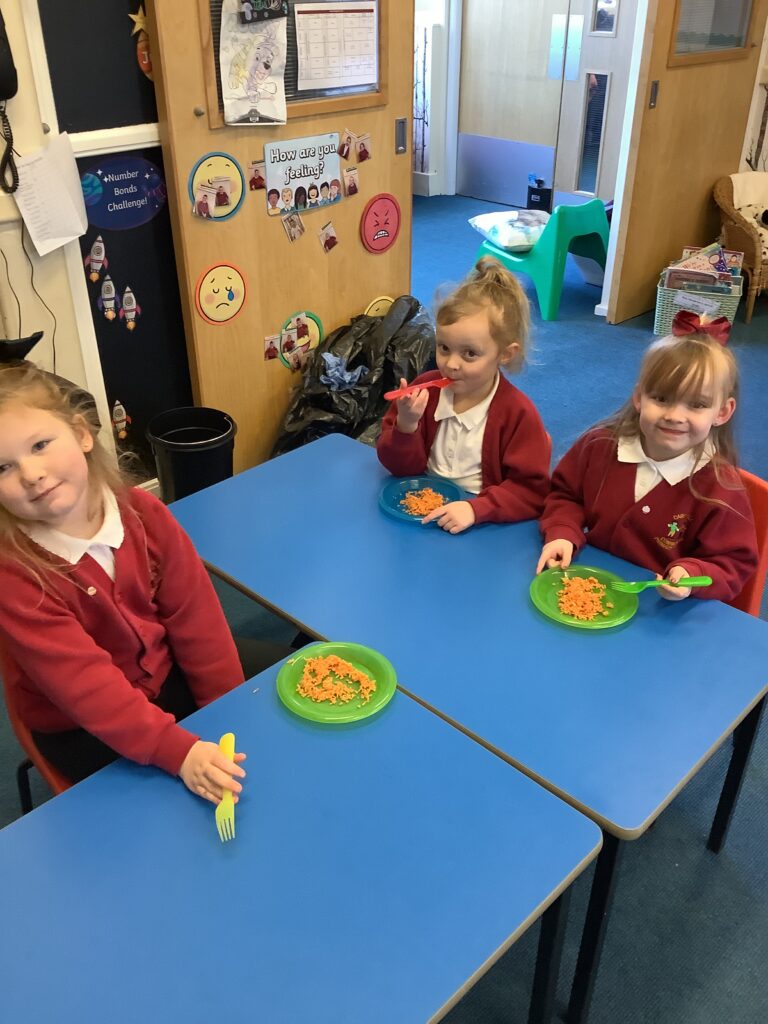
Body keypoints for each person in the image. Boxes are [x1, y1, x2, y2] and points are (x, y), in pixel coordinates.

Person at [0, 361, 255, 804]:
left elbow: (198, 622)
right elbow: (86, 687)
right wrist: (177, 752)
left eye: (41, 444)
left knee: (262, 725)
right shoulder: (16, 574)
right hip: (79, 723)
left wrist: (227, 712)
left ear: (81, 434)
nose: (31, 473)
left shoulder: (142, 513)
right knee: (157, 824)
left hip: (163, 679)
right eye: (1, 468)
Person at [536, 320, 758, 602]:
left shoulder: (721, 489)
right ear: (639, 398)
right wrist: (563, 532)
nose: (675, 416)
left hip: (659, 613)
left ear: (722, 412)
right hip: (588, 584)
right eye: (662, 399)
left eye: (697, 404)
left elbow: (732, 564)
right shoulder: (599, 446)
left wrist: (691, 574)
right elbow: (565, 496)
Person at [377, 256, 550, 534]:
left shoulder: (518, 414)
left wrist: (475, 509)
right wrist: (405, 427)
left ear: (505, 354)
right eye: (444, 348)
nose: (452, 364)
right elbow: (399, 470)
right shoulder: (424, 391)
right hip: (421, 517)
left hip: (481, 524)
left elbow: (531, 492)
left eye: (470, 354)